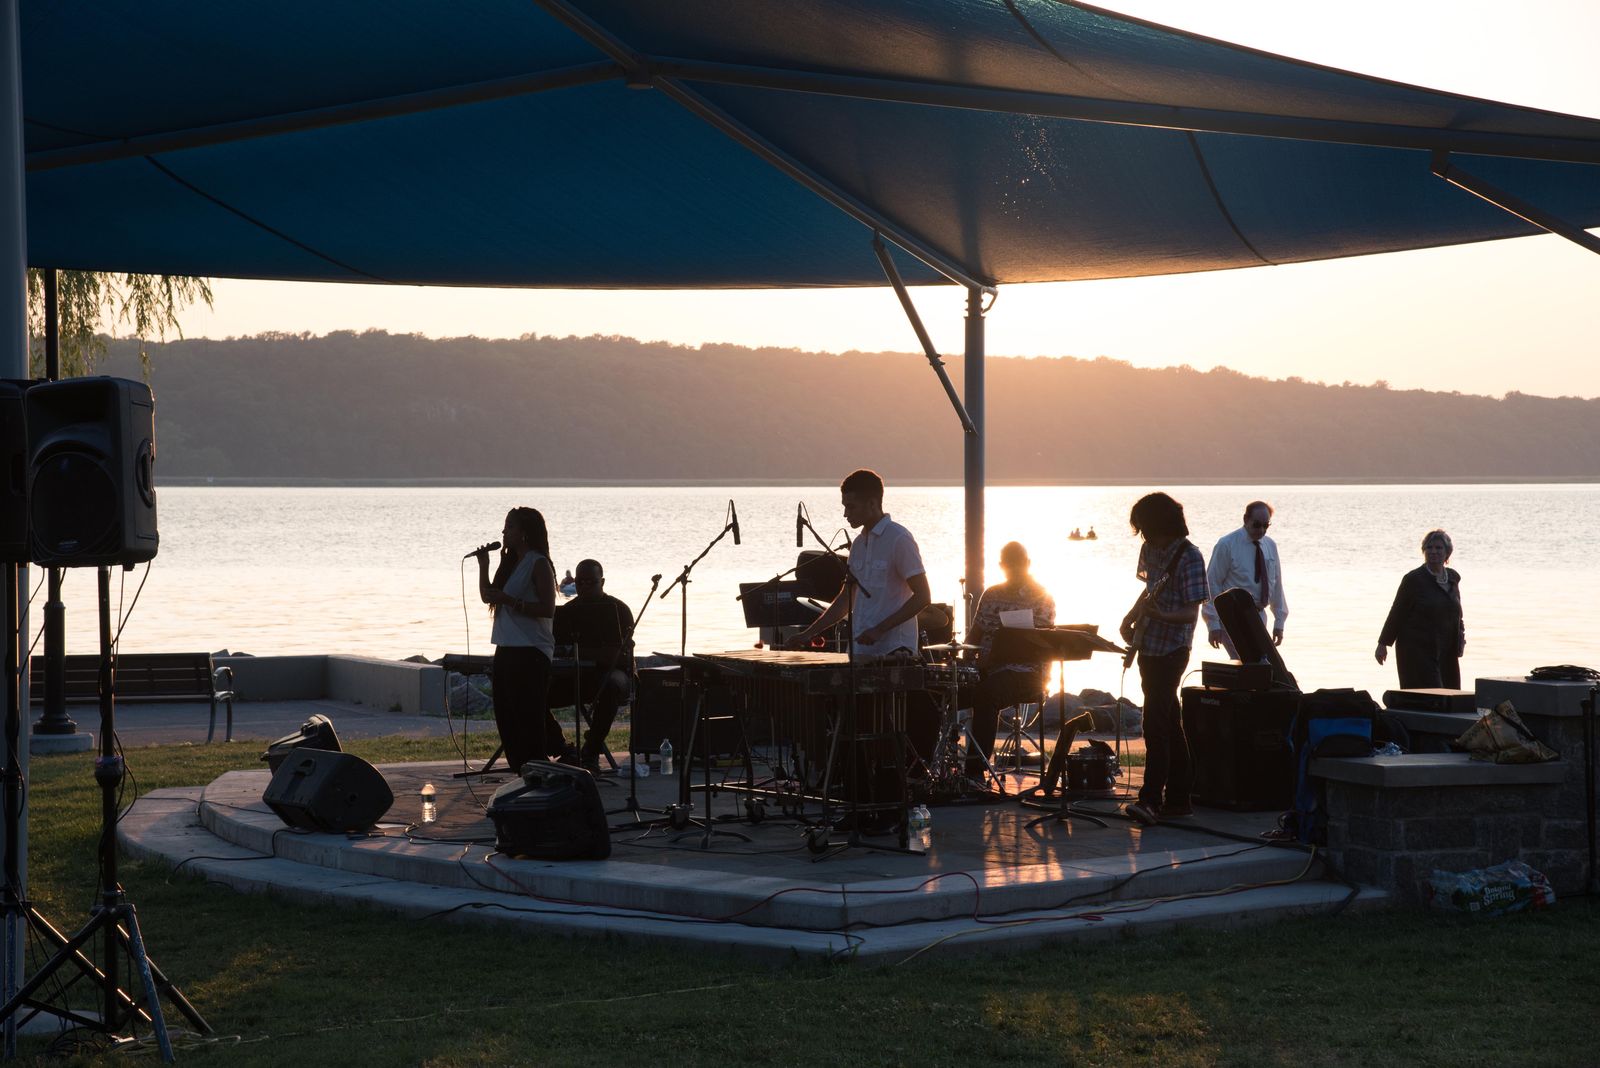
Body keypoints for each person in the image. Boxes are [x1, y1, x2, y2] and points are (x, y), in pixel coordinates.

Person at [1120, 492, 1209, 827]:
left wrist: (1161, 615)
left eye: (1146, 528)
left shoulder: (1190, 556)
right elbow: (1149, 590)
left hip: (1174, 648)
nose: (1143, 535)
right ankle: (1179, 799)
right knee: (1170, 722)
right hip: (1148, 644)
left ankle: (1150, 800)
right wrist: (1131, 616)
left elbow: (1190, 613)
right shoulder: (1150, 549)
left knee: (1154, 722)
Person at [785, 469, 931, 657]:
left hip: (895, 651)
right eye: (845, 507)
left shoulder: (899, 539)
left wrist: (880, 629)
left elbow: (923, 596)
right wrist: (807, 634)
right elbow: (846, 598)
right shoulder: (859, 544)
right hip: (860, 651)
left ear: (872, 504)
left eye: (851, 507)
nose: (845, 514)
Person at [475, 506, 570, 772]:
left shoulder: (538, 563)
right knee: (507, 717)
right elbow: (488, 596)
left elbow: (548, 609)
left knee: (528, 717)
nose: (504, 531)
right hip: (506, 647)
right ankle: (521, 770)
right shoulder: (510, 562)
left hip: (530, 651)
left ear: (525, 532)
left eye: (510, 526)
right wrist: (484, 566)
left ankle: (538, 769)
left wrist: (510, 601)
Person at [964, 542, 1056, 777]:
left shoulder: (1042, 597)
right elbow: (975, 634)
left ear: (1028, 564)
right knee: (939, 691)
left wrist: (992, 658)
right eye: (1009, 565)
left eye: (1019, 564)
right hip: (987, 669)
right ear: (1001, 566)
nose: (1014, 570)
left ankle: (974, 772)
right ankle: (926, 769)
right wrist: (965, 662)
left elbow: (1039, 645)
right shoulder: (991, 594)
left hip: (1027, 673)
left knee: (986, 694)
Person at [552, 558, 635, 772]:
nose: (585, 587)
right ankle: (561, 748)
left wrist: (580, 652)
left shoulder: (620, 609)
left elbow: (617, 655)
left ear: (602, 582)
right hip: (578, 676)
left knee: (610, 686)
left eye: (591, 582)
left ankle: (591, 752)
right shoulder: (567, 611)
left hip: (614, 673)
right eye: (580, 582)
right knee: (534, 690)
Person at [1375, 529, 1466, 688]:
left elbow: (1457, 614)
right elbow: (1397, 613)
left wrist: (1461, 638)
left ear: (1447, 552)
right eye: (1429, 547)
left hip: (1446, 648)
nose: (1433, 551)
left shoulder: (1453, 578)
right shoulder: (1413, 579)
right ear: (1424, 551)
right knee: (1430, 693)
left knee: (1451, 693)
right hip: (1418, 649)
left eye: (1438, 548)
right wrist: (1383, 644)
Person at [1202, 500, 1288, 655]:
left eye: (1266, 525)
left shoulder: (1270, 545)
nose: (1261, 530)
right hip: (1232, 616)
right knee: (1245, 662)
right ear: (1246, 519)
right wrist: (1213, 624)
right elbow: (1212, 583)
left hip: (1259, 616)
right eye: (1257, 525)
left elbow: (1276, 584)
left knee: (1262, 662)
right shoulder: (1227, 544)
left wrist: (1279, 622)